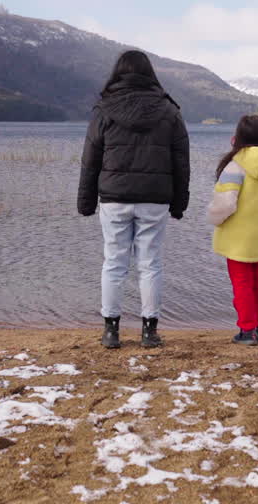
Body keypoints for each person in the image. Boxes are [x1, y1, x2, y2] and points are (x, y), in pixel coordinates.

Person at [78, 50, 190, 349]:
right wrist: (180, 202)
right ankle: (149, 332)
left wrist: (86, 202)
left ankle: (111, 331)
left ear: (118, 73)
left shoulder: (104, 109)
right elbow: (181, 161)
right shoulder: (169, 111)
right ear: (150, 74)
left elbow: (90, 160)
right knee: (150, 264)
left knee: (114, 263)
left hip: (114, 197)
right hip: (155, 198)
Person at [206, 114, 258, 345]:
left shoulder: (235, 166)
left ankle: (247, 330)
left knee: (242, 282)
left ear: (238, 139)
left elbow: (225, 204)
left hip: (236, 237)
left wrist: (214, 219)